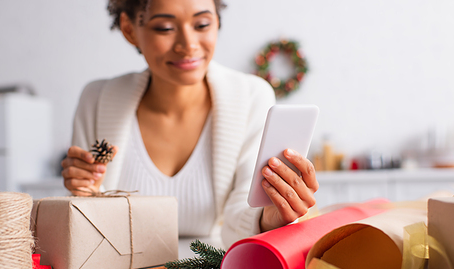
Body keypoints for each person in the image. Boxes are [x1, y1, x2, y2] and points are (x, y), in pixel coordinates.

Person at [61, 0, 319, 248]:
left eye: (202, 24)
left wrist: (267, 218)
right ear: (129, 29)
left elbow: (242, 211)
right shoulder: (97, 99)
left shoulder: (252, 96)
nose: (188, 45)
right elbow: (87, 225)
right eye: (165, 28)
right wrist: (86, 195)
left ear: (217, 21)